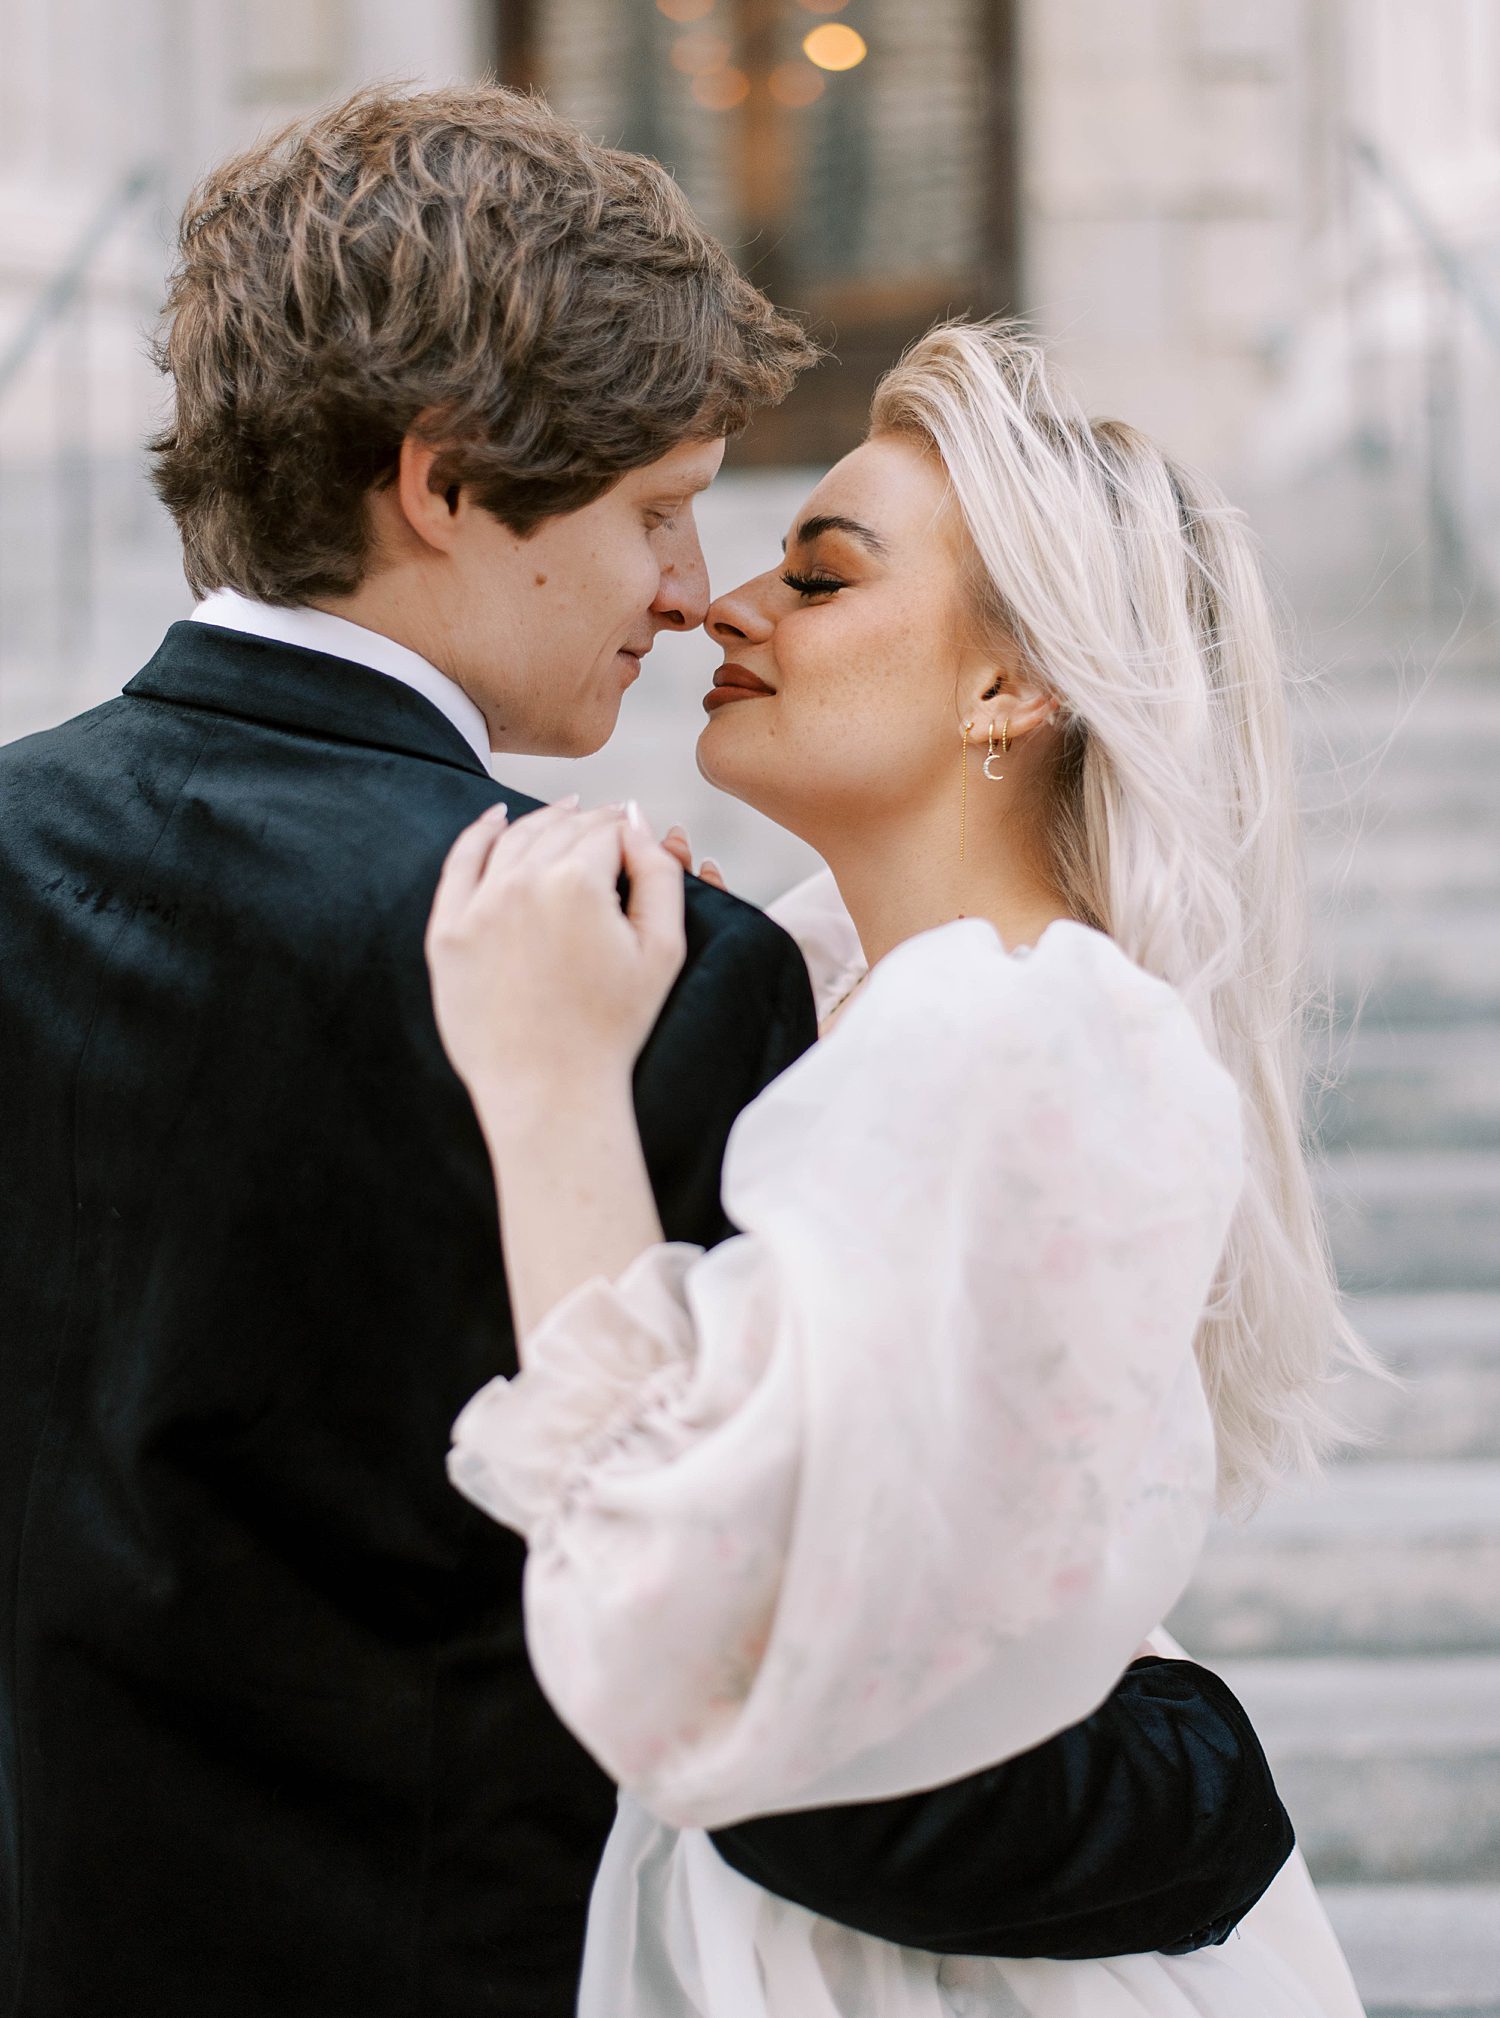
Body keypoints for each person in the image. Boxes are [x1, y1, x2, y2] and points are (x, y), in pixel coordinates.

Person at [0, 86, 1292, 2018]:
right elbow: (786, 1740)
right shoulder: (647, 977)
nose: (697, 588)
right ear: (442, 484)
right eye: (661, 508)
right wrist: (1214, 1787)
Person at [426, 320, 1371, 2018]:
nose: (725, 606)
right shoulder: (857, 1002)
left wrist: (552, 1083)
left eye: (821, 574)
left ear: (1013, 686)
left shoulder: (1031, 1037)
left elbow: (677, 1639)